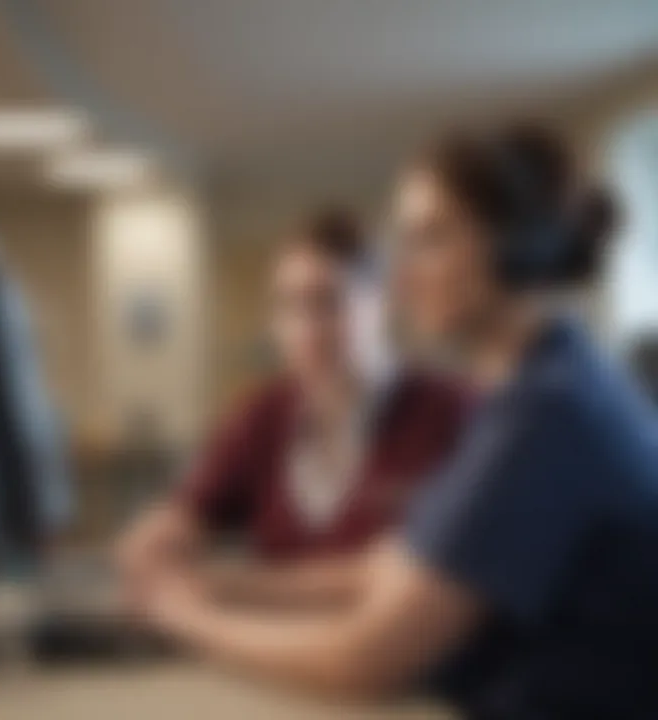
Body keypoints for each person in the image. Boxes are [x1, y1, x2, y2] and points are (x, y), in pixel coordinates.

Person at [138, 125, 658, 719]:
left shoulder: (547, 416)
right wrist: (217, 586)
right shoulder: (538, 387)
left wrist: (182, 616)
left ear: (516, 243)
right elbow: (389, 569)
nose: (404, 276)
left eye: (431, 239)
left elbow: (364, 660)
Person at [117, 210, 467, 612]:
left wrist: (226, 587)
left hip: (407, 665)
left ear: (381, 302)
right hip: (279, 662)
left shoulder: (451, 413)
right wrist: (156, 545)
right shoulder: (261, 419)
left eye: (329, 302)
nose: (308, 329)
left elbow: (406, 579)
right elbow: (182, 515)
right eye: (290, 305)